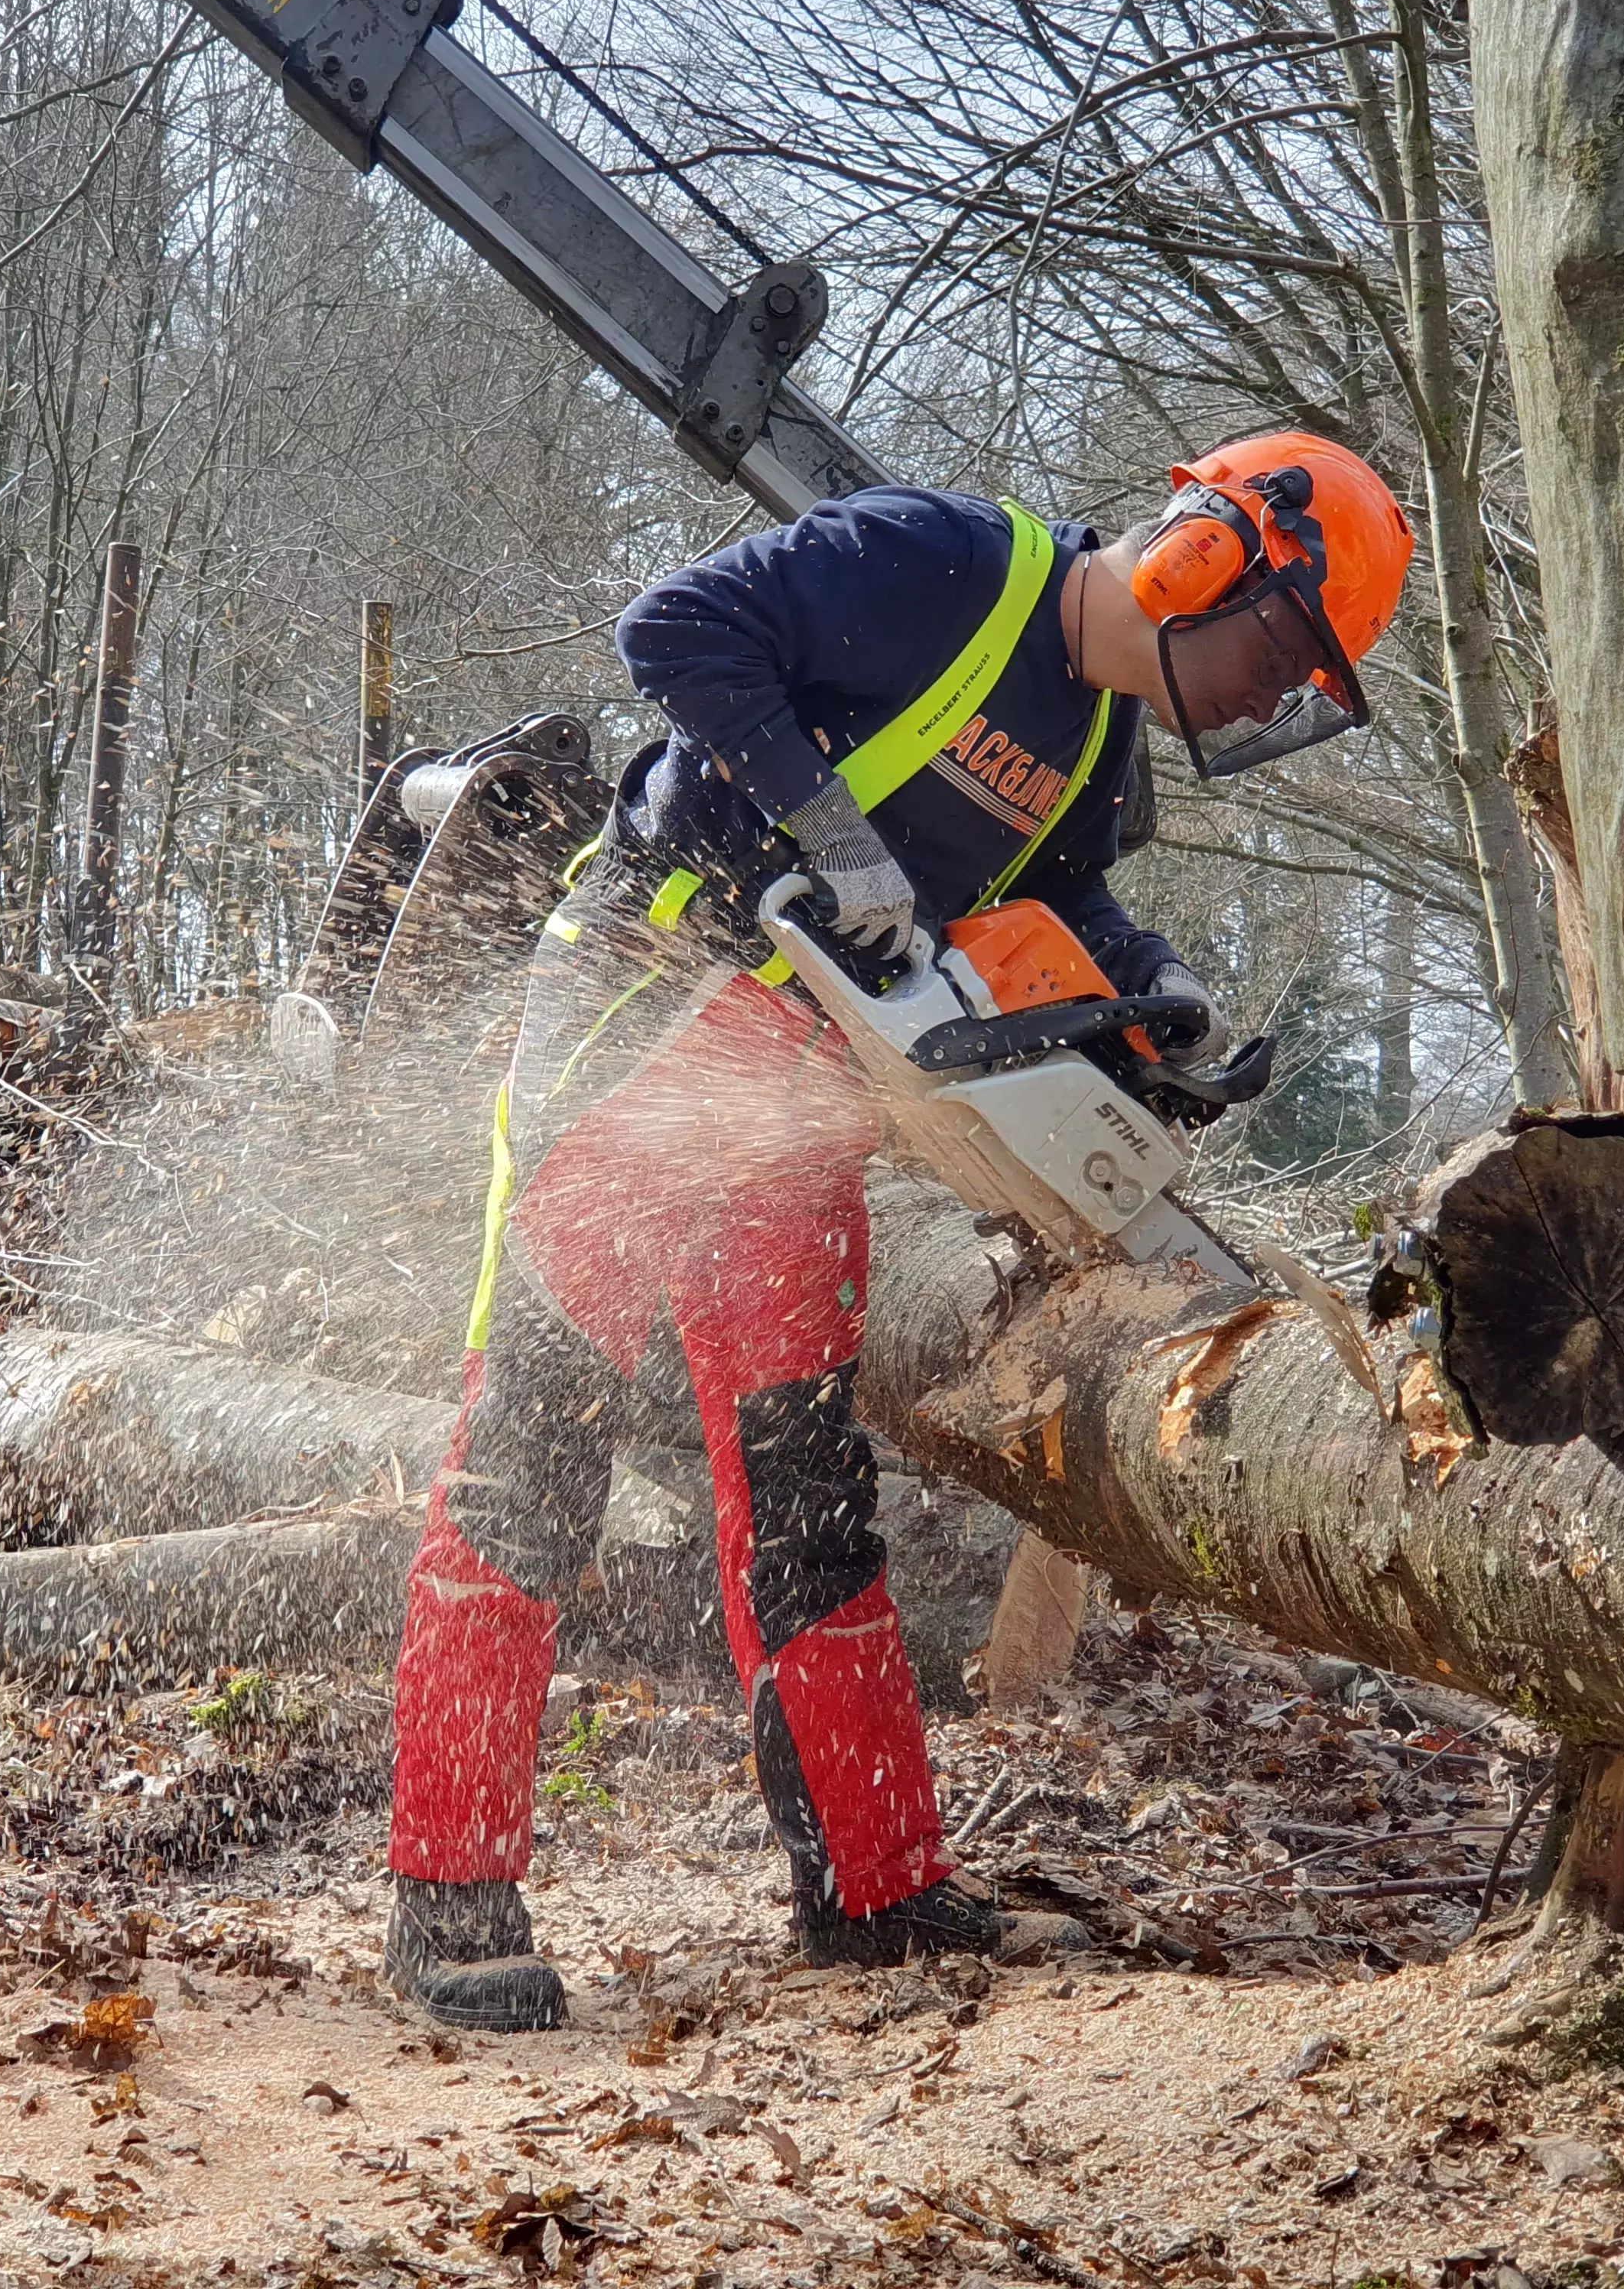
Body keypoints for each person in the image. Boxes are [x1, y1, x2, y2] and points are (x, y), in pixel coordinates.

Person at [378, 434, 1416, 2031]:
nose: (1269, 694)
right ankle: (448, 1892)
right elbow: (673, 629)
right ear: (1209, 558)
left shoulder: (1102, 762)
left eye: (1301, 680)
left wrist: (1154, 1001)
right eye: (1282, 650)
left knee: (805, 1477)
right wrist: (825, 822)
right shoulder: (947, 565)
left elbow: (1056, 905)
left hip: (803, 1074)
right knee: (542, 1433)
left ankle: (873, 1888)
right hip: (644, 997)